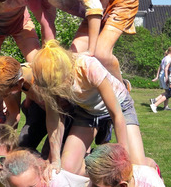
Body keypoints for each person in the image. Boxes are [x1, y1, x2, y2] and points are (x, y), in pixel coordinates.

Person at [7, 0, 138, 89]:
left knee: (101, 53)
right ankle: (100, 93)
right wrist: (48, 55)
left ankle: (123, 92)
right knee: (73, 58)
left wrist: (91, 50)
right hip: (95, 13)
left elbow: (93, 6)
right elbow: (49, 25)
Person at [31, 39, 147, 176]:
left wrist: (123, 154)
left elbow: (116, 114)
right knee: (67, 169)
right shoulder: (47, 77)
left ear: (65, 72)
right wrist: (55, 160)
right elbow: (53, 120)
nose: (57, 91)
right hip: (88, 112)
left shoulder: (87, 66)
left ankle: (150, 166)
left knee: (136, 166)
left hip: (121, 107)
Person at [150, 47, 171, 111]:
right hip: (164, 76)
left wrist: (157, 76)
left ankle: (165, 106)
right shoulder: (169, 59)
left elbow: (160, 67)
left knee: (167, 91)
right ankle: (155, 100)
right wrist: (167, 78)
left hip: (161, 75)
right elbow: (166, 69)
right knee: (168, 92)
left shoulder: (164, 58)